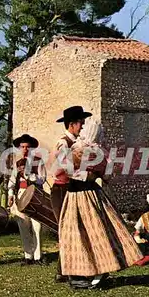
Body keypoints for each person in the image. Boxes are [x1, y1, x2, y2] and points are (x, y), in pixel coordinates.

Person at [58, 117, 143, 289]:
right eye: (79, 124)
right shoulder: (94, 151)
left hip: (80, 195)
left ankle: (88, 273)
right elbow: (106, 175)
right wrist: (93, 174)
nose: (81, 128)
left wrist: (88, 173)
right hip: (88, 193)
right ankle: (86, 272)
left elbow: (68, 170)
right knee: (90, 232)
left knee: (84, 232)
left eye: (83, 126)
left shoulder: (82, 148)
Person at [50, 106, 92, 282]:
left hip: (72, 188)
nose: (82, 126)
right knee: (67, 230)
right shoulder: (64, 143)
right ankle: (67, 271)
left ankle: (64, 270)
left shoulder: (77, 142)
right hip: (62, 190)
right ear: (72, 124)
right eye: (80, 123)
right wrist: (86, 175)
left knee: (74, 229)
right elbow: (61, 170)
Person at [7, 134, 48, 266]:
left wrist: (30, 175)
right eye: (23, 147)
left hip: (35, 193)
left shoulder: (38, 161)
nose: (25, 149)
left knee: (37, 225)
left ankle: (38, 256)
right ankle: (28, 255)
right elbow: (12, 180)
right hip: (21, 194)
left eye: (27, 147)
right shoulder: (17, 163)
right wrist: (10, 194)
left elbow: (43, 179)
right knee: (23, 224)